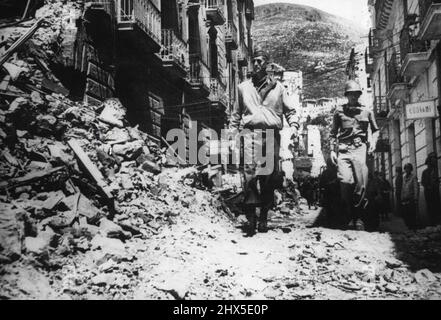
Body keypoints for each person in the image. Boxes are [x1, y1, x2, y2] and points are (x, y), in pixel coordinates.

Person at [229, 47, 300, 237]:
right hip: (249, 134)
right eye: (255, 60)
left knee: (268, 177)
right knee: (250, 175)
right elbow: (236, 114)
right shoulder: (243, 87)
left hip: (270, 135)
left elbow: (290, 111)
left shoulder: (279, 88)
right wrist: (232, 133)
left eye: (261, 61)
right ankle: (251, 217)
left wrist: (293, 127)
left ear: (268, 65)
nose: (257, 64)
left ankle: (264, 217)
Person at [329, 80, 379, 230]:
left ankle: (357, 217)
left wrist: (373, 142)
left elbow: (375, 130)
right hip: (343, 150)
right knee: (345, 181)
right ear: (346, 95)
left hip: (360, 149)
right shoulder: (339, 112)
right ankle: (350, 214)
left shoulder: (366, 111)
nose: (353, 97)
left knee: (360, 185)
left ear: (359, 95)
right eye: (350, 94)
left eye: (356, 94)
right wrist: (332, 149)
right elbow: (333, 133)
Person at [421, 152, 441, 226]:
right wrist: (428, 186)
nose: (434, 161)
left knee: (437, 208)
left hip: (435, 192)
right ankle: (432, 224)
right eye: (432, 159)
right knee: (430, 209)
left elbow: (437, 180)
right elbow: (423, 182)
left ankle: (437, 224)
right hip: (429, 193)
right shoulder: (425, 172)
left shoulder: (436, 171)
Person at [401, 163, 419, 231]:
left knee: (412, 214)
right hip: (405, 199)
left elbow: (416, 187)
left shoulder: (413, 177)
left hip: (411, 198)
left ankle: (413, 228)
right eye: (405, 168)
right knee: (406, 214)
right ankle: (409, 227)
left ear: (411, 169)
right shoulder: (404, 177)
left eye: (408, 168)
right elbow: (403, 188)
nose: (407, 170)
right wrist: (402, 197)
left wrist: (416, 198)